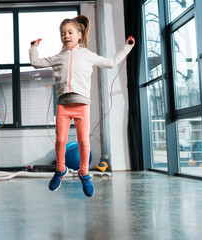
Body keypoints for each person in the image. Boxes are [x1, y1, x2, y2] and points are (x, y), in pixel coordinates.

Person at [29, 15, 134, 197]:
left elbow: (111, 62)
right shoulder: (58, 57)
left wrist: (127, 47)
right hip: (63, 105)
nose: (66, 36)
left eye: (70, 32)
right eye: (63, 34)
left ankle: (84, 173)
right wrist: (33, 48)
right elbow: (36, 63)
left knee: (84, 141)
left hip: (82, 105)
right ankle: (60, 169)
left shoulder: (87, 55)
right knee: (60, 140)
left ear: (79, 35)